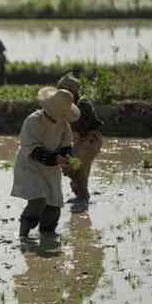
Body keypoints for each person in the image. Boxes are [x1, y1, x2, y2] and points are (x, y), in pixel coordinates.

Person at [12, 87, 79, 238]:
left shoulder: (64, 125)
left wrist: (67, 158)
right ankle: (23, 236)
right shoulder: (33, 121)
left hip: (51, 167)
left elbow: (66, 146)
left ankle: (47, 235)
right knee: (38, 200)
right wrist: (55, 158)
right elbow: (32, 149)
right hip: (30, 165)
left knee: (54, 206)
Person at [57, 73, 104, 211]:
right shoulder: (69, 105)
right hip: (81, 140)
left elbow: (82, 126)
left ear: (73, 90)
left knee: (75, 166)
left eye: (65, 90)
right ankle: (81, 194)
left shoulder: (83, 103)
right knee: (75, 167)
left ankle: (83, 196)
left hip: (91, 139)